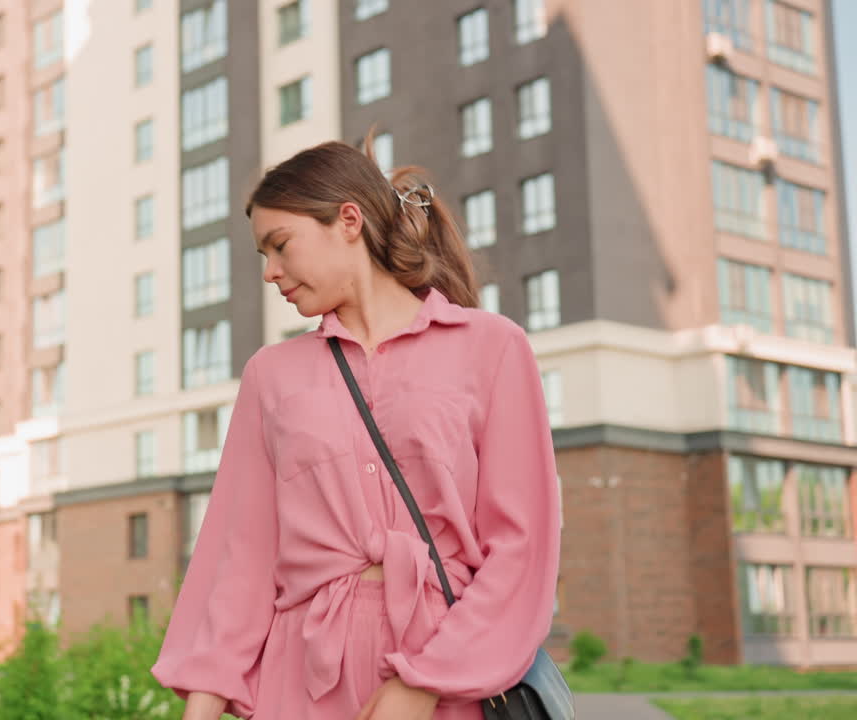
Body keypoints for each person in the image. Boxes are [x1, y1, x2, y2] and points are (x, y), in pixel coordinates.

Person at [150, 138, 562, 720]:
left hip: (446, 674)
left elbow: (520, 547)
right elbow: (239, 560)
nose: (270, 273)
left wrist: (422, 683)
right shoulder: (271, 376)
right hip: (302, 680)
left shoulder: (492, 348)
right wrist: (198, 710)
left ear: (348, 220)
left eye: (280, 245)